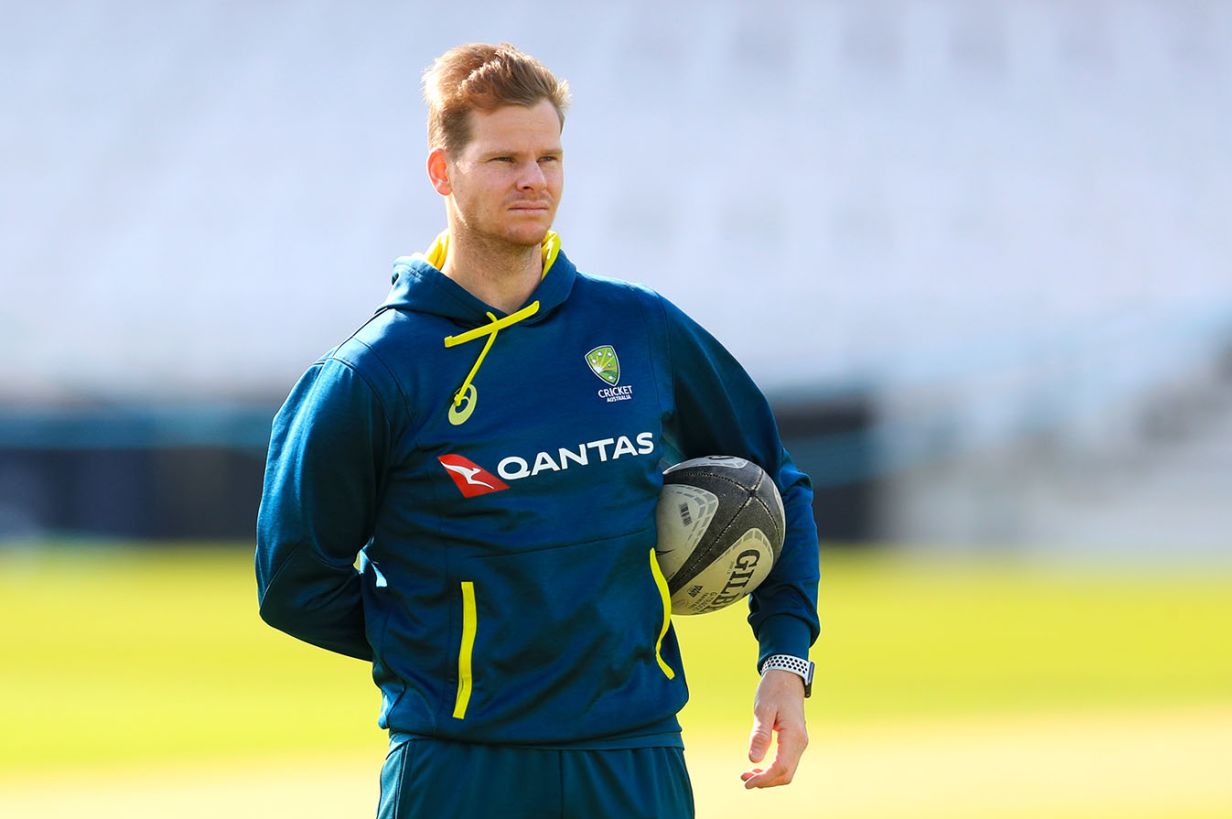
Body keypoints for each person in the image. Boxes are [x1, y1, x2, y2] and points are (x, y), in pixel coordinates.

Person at [255, 42, 820, 819]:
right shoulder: (372, 373)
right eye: (504, 159)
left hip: (634, 759)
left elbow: (775, 477)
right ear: (442, 171)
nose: (534, 179)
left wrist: (785, 655)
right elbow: (294, 581)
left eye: (549, 157)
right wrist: (446, 649)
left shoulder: (637, 327)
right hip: (459, 768)